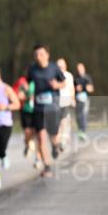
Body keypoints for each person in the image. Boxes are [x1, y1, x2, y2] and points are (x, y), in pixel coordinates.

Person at [26, 44, 65, 177]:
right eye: (36, 55)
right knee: (41, 138)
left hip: (52, 106)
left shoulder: (54, 67)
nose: (38, 57)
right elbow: (27, 83)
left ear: (47, 55)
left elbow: (63, 82)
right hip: (38, 108)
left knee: (53, 134)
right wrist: (26, 91)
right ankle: (47, 166)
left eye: (41, 54)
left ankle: (55, 145)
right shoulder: (32, 69)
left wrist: (57, 85)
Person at [14, 69, 36, 164]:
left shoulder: (38, 81)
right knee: (27, 131)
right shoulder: (21, 81)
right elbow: (15, 93)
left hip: (36, 110)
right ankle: (28, 144)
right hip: (25, 109)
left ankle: (31, 144)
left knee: (35, 131)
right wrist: (22, 96)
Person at [56, 58, 76, 153]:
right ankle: (60, 139)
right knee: (58, 121)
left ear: (65, 66)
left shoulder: (68, 75)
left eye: (62, 65)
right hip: (56, 100)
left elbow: (71, 88)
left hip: (65, 99)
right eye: (58, 65)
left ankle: (63, 140)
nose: (60, 67)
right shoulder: (54, 75)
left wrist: (73, 99)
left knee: (63, 120)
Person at [74, 62, 94, 141]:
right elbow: (72, 88)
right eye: (78, 69)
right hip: (77, 99)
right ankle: (80, 130)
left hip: (85, 99)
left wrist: (84, 87)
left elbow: (91, 89)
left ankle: (83, 131)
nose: (79, 70)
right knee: (78, 116)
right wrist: (76, 89)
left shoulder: (87, 78)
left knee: (84, 115)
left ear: (83, 69)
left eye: (81, 69)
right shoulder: (75, 78)